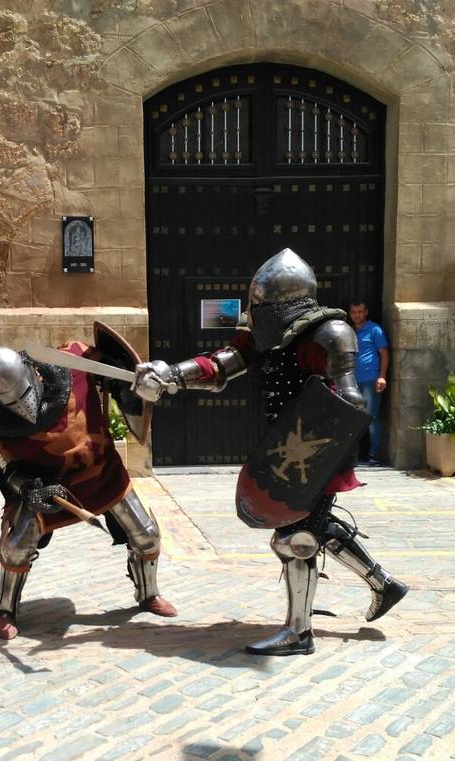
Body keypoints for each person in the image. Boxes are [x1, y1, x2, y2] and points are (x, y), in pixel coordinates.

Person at [134, 248, 408, 656]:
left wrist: (320, 458)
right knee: (315, 526)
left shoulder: (331, 331)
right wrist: (171, 374)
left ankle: (299, 632)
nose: (254, 310)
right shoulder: (271, 331)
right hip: (290, 451)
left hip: (316, 455)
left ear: (281, 300)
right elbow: (225, 364)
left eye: (260, 302)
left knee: (294, 538)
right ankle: (383, 585)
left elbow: (349, 402)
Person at [0, 342, 177, 641]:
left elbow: (115, 367)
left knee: (146, 535)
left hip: (101, 469)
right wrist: (25, 485)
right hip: (48, 485)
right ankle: (5, 608)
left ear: (33, 373)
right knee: (16, 546)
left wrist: (143, 378)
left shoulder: (73, 362)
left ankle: (148, 594)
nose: (22, 406)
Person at [348, 300, 389, 465]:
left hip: (370, 379)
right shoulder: (348, 331)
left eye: (360, 312)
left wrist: (382, 376)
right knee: (352, 418)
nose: (356, 315)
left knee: (372, 417)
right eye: (353, 312)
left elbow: (384, 354)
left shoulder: (375, 330)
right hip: (351, 380)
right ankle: (352, 455)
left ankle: (373, 455)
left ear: (366, 312)